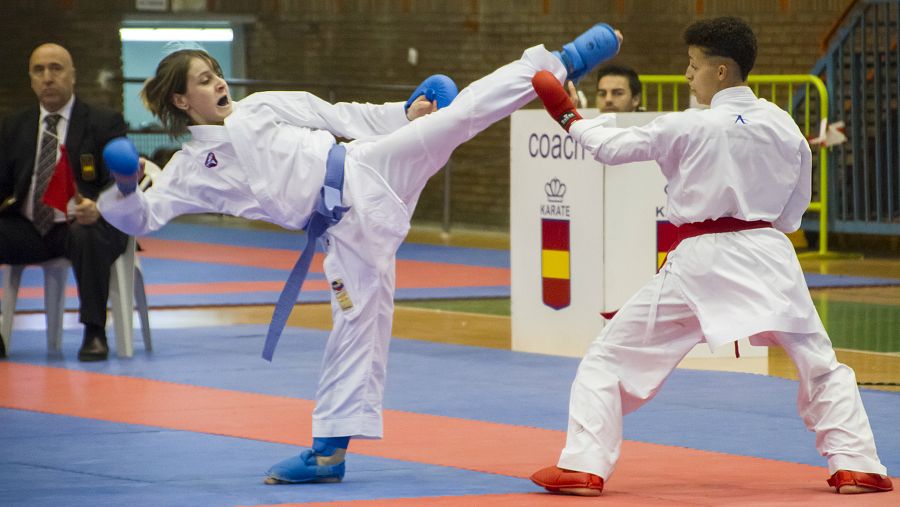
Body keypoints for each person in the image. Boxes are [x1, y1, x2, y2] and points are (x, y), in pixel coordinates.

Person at [97, 24, 623, 485]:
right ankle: (329, 452)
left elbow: (337, 113)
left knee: (456, 118)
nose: (218, 82)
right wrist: (124, 187)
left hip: (365, 168)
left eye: (215, 73)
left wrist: (404, 113)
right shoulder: (191, 168)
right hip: (345, 232)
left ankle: (559, 63)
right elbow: (144, 217)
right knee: (355, 326)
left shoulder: (260, 107)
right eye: (203, 79)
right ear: (182, 100)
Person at [528, 17, 892, 496]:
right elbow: (793, 209)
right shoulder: (782, 124)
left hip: (701, 261)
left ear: (720, 71)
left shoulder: (689, 124)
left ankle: (583, 464)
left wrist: (566, 114)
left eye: (693, 64)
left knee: (609, 356)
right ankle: (858, 464)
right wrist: (760, 226)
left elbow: (609, 148)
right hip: (770, 256)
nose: (687, 74)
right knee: (819, 362)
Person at [0, 43, 129, 361]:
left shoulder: (104, 122)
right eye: (39, 70)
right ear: (31, 79)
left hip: (85, 225)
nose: (47, 77)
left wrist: (99, 206)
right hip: (30, 228)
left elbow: (123, 179)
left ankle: (94, 332)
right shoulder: (14, 126)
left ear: (73, 75)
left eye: (56, 68)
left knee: (87, 233)